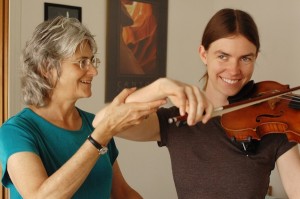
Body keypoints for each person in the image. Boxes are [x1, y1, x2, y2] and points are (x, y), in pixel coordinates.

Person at [94, 8, 300, 199]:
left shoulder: (272, 123)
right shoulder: (177, 121)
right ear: (204, 54)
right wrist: (160, 86)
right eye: (223, 56)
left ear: (255, 58)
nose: (234, 70)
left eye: (245, 58)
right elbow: (103, 122)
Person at [0, 16, 168, 199]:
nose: (94, 71)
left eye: (92, 61)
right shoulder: (15, 131)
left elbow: (123, 193)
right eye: (82, 62)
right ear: (46, 68)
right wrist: (101, 135)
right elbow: (41, 197)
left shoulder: (94, 124)